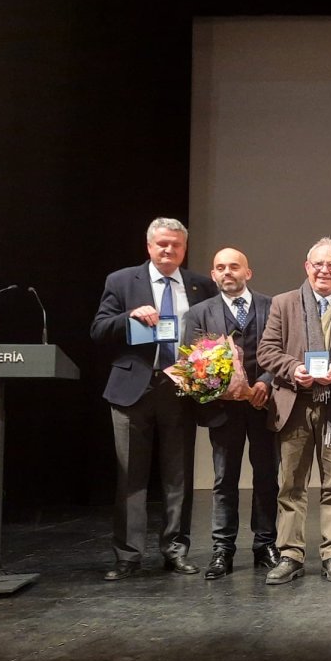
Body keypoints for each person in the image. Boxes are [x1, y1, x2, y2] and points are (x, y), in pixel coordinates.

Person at [90, 217, 216, 580]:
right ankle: (128, 556)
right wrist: (130, 315)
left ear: (184, 248)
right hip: (132, 389)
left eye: (175, 245)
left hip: (180, 389)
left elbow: (210, 335)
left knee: (178, 476)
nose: (168, 250)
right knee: (131, 477)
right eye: (162, 244)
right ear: (149, 246)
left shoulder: (199, 286)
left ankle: (175, 550)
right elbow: (98, 329)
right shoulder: (121, 280)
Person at [256, 237, 331, 585]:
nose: (324, 270)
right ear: (307, 267)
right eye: (318, 264)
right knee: (291, 484)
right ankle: (290, 555)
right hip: (295, 404)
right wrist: (293, 368)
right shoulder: (284, 304)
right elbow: (266, 351)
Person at [181, 247, 279, 579]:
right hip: (223, 409)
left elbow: (282, 350)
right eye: (220, 267)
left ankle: (265, 543)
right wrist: (220, 385)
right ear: (213, 275)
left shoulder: (271, 306)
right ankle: (222, 550)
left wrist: (265, 381)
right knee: (225, 481)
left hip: (264, 406)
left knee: (267, 477)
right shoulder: (198, 313)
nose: (227, 272)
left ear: (247, 272)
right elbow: (192, 364)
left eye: (234, 266)